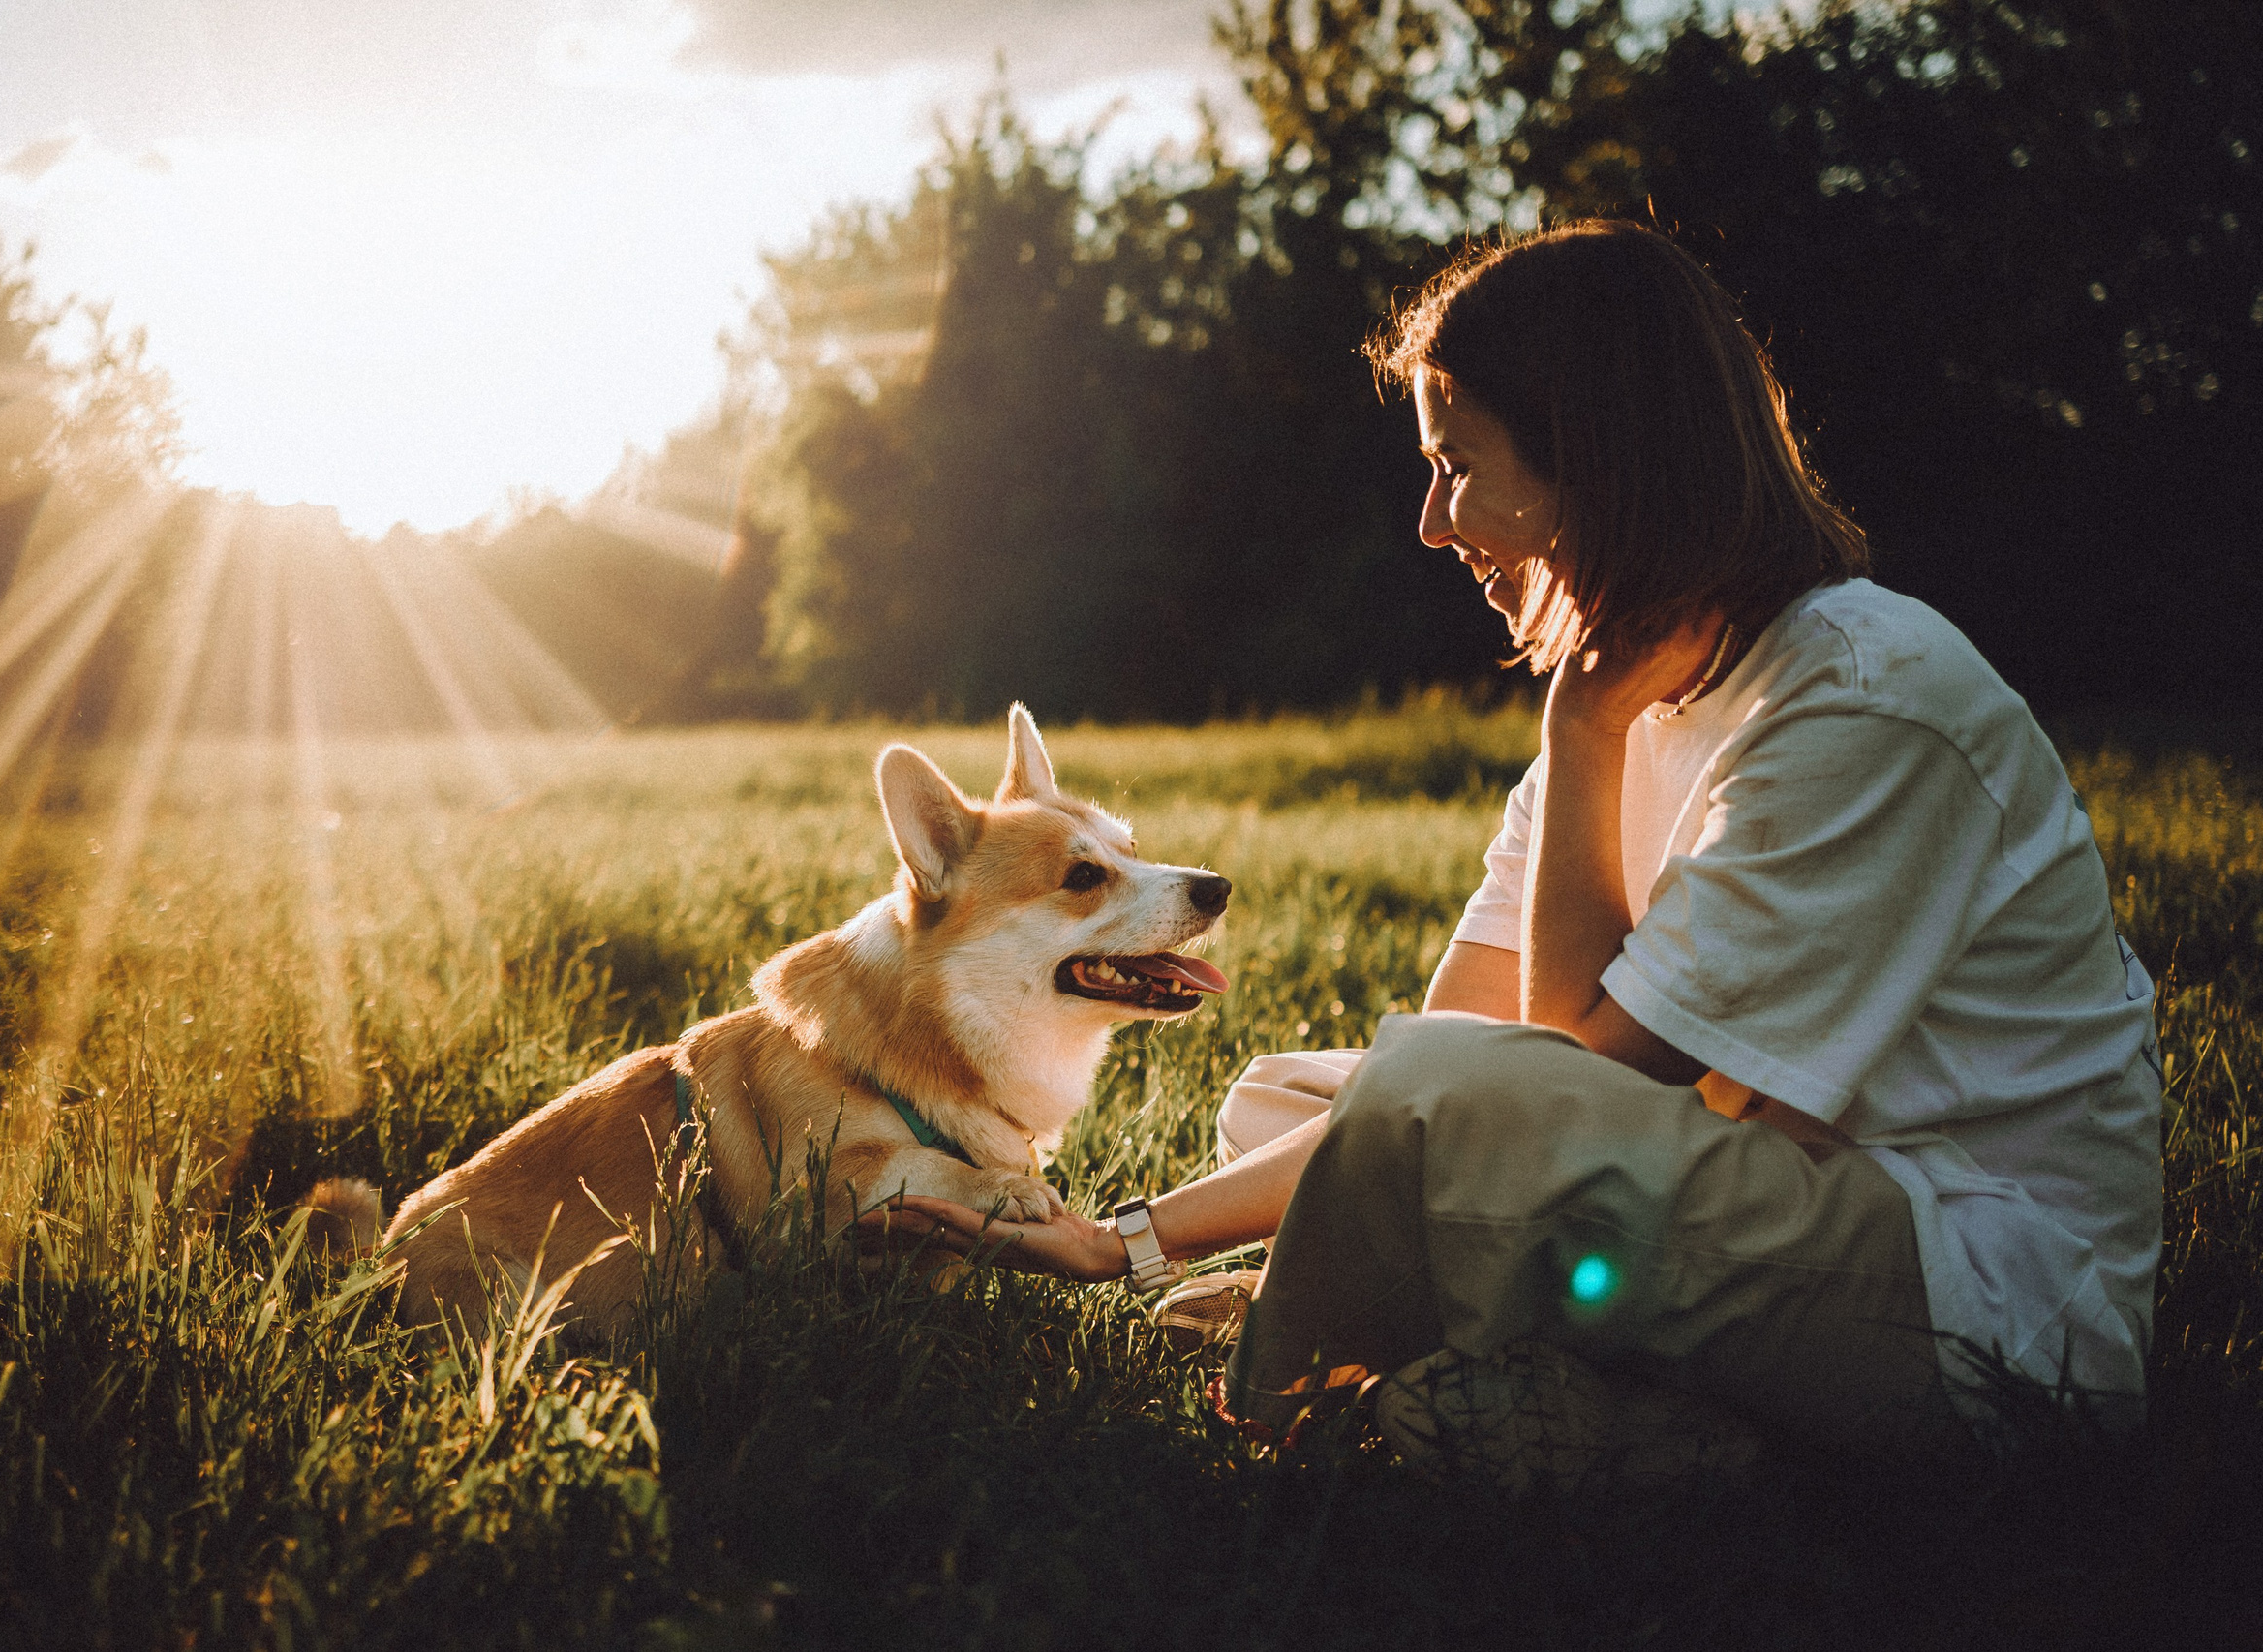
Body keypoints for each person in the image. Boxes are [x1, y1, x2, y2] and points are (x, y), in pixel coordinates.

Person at [863, 220, 2162, 1459]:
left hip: (1979, 1293)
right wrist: (1146, 1236)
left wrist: (1124, 1240)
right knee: (1288, 1100)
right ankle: (1601, 1414)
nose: (1434, 522)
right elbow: (1454, 1059)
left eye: (1459, 465)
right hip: (1775, 1188)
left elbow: (1555, 1090)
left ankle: (1341, 1377)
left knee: (1423, 1129)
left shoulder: (1861, 702)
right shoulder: (1634, 691)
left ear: (1595, 461)